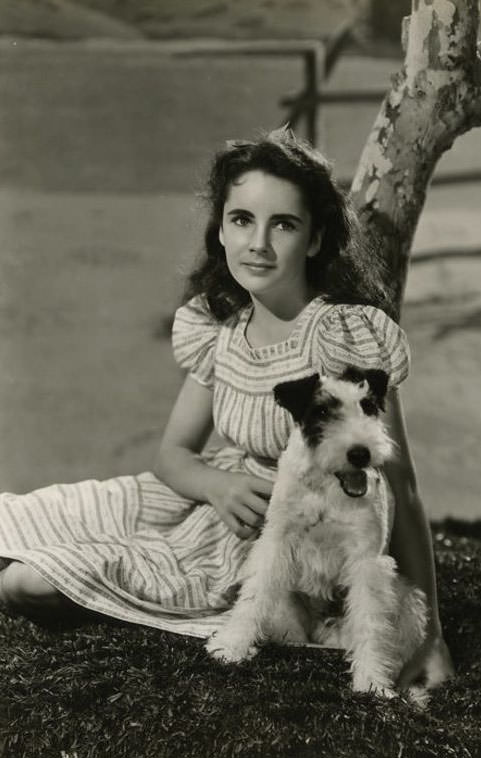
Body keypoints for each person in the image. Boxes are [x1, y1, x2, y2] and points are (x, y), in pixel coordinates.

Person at [0, 127, 453, 688]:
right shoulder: (222, 328)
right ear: (220, 230)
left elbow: (398, 483)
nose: (257, 243)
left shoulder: (341, 336)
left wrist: (432, 634)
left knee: (24, 585)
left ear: (314, 240)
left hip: (279, 542)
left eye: (282, 224)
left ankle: (165, 609)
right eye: (241, 220)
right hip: (212, 502)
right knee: (21, 519)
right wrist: (216, 485)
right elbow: (174, 454)